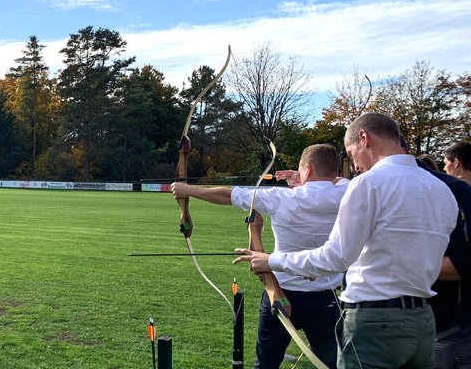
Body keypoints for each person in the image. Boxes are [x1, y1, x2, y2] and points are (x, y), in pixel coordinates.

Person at [234, 113, 459, 368]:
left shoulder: (368, 183)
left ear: (364, 138)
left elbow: (335, 258)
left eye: (352, 155)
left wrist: (271, 260)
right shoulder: (441, 189)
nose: (355, 167)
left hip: (374, 321)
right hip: (423, 321)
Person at [172, 144, 347, 369]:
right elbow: (336, 181)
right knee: (331, 364)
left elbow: (230, 194)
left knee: (266, 365)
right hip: (326, 298)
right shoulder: (347, 191)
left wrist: (188, 191)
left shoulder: (281, 197)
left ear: (308, 169)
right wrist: (303, 176)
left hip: (281, 294)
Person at [426, 144, 471, 368]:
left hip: (454, 327)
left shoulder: (458, 194)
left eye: (445, 162)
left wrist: (402, 263)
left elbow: (464, 263)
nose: (444, 167)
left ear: (456, 163)